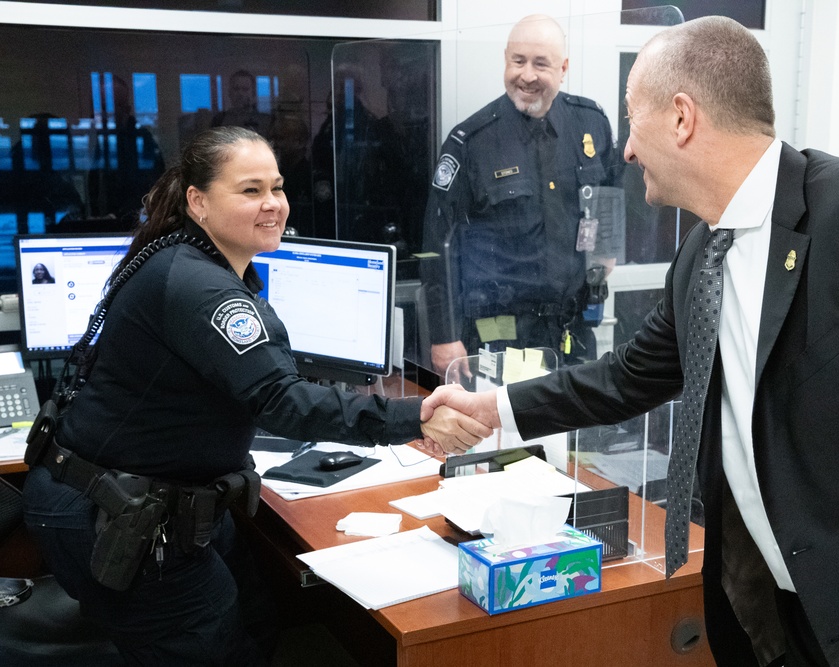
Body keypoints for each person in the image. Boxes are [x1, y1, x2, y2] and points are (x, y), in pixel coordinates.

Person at [424, 16, 839, 667]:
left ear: (681, 118)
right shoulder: (701, 253)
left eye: (632, 121)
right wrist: (495, 408)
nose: (627, 151)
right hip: (773, 622)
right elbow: (627, 377)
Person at [21, 126, 489, 666]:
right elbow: (282, 401)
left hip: (138, 500)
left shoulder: (188, 258)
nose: (273, 205)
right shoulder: (204, 287)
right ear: (197, 201)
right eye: (250, 190)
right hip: (114, 516)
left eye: (278, 188)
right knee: (220, 645)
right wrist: (418, 415)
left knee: (259, 614)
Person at [421, 14, 624, 377]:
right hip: (501, 341)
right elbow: (439, 245)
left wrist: (606, 253)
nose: (527, 75)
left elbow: (611, 190)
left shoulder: (589, 122)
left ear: (563, 69)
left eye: (540, 64)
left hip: (572, 332)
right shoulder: (471, 142)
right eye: (518, 61)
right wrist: (444, 336)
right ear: (505, 60)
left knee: (575, 432)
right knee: (511, 435)